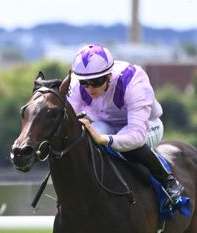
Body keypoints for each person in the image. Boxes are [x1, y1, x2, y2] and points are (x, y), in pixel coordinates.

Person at [67, 43, 184, 205]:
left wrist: (104, 139)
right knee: (86, 140)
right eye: (85, 83)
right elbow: (67, 122)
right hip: (106, 125)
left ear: (108, 76)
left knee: (124, 146)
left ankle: (169, 181)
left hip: (147, 126)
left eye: (96, 81)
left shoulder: (133, 80)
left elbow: (136, 136)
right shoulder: (77, 84)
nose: (89, 88)